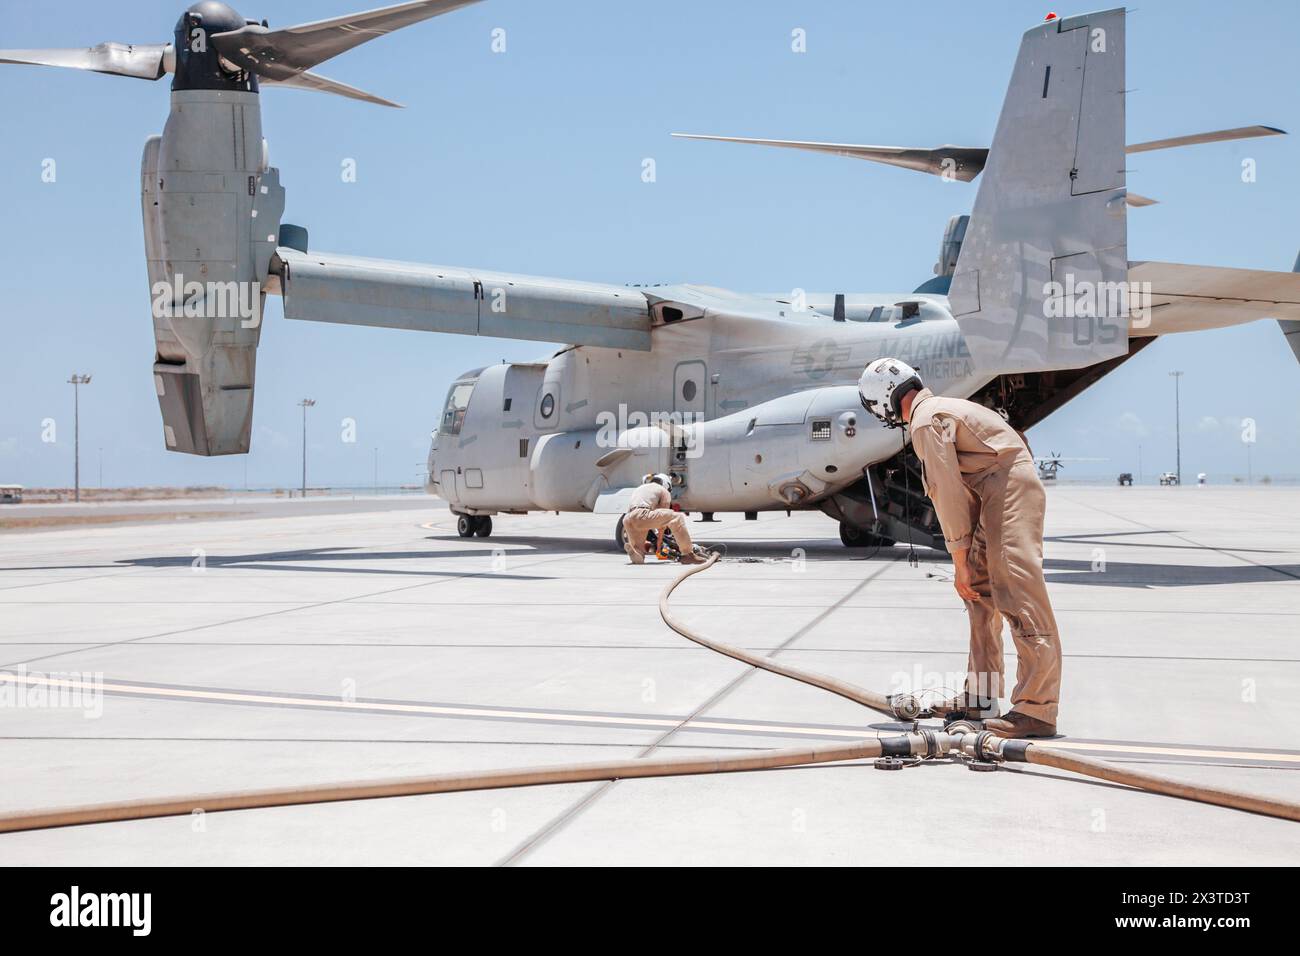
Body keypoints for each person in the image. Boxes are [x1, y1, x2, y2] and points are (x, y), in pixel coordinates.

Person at [858, 358, 1062, 738]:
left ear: (883, 401)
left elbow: (946, 493)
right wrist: (971, 562)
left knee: (1018, 593)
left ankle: (1037, 709)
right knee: (980, 595)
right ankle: (981, 699)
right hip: (993, 487)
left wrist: (960, 562)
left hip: (1008, 487)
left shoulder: (924, 421)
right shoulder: (939, 409)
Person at [623, 473, 704, 566]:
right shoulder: (663, 491)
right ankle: (688, 554)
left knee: (639, 550)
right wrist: (659, 544)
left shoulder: (640, 488)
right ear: (666, 484)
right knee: (677, 517)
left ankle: (636, 554)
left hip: (628, 519)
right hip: (643, 514)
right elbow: (663, 521)